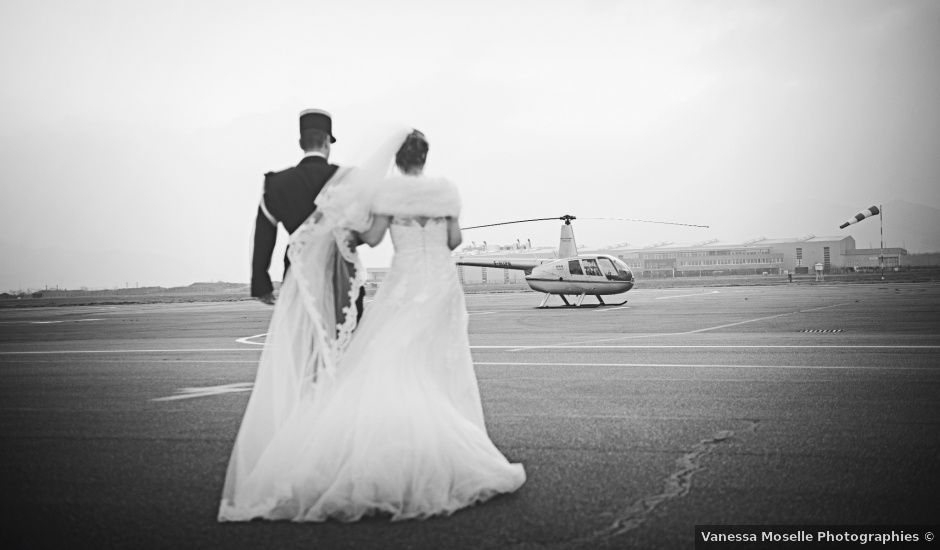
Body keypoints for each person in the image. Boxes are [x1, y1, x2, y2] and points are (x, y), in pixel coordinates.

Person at [218, 128, 525, 522]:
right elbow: (454, 240)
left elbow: (375, 238)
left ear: (397, 159)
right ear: (426, 157)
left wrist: (344, 233)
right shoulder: (447, 192)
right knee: (436, 366)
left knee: (391, 364)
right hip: (442, 287)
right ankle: (439, 446)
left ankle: (398, 450)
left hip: (406, 283)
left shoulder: (388, 194)